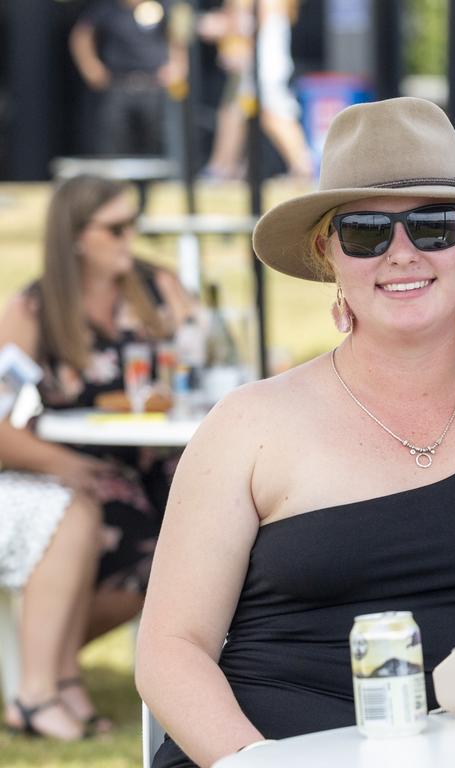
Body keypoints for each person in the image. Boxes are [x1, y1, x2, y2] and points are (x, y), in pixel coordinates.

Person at [135, 97, 455, 767]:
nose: (402, 253)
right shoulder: (249, 425)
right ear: (328, 255)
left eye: (433, 226)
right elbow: (170, 649)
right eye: (366, 231)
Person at [0, 175, 193, 739]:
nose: (130, 238)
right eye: (115, 228)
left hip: (161, 459)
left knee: (201, 522)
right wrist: (70, 467)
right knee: (141, 536)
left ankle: (55, 675)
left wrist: (192, 322)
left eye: (134, 223)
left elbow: (206, 359)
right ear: (77, 237)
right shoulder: (34, 310)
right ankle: (51, 677)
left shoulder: (155, 286)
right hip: (78, 469)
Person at [196, 0, 314, 179]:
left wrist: (222, 27)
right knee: (233, 111)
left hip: (266, 66)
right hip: (257, 65)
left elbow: (252, 23)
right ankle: (222, 167)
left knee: (274, 114)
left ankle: (303, 166)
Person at [69, 0, 187, 155]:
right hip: (117, 85)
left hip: (155, 85)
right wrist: (90, 67)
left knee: (159, 143)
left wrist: (178, 65)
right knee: (114, 141)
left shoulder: (164, 6)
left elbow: (178, 37)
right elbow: (81, 35)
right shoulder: (106, 7)